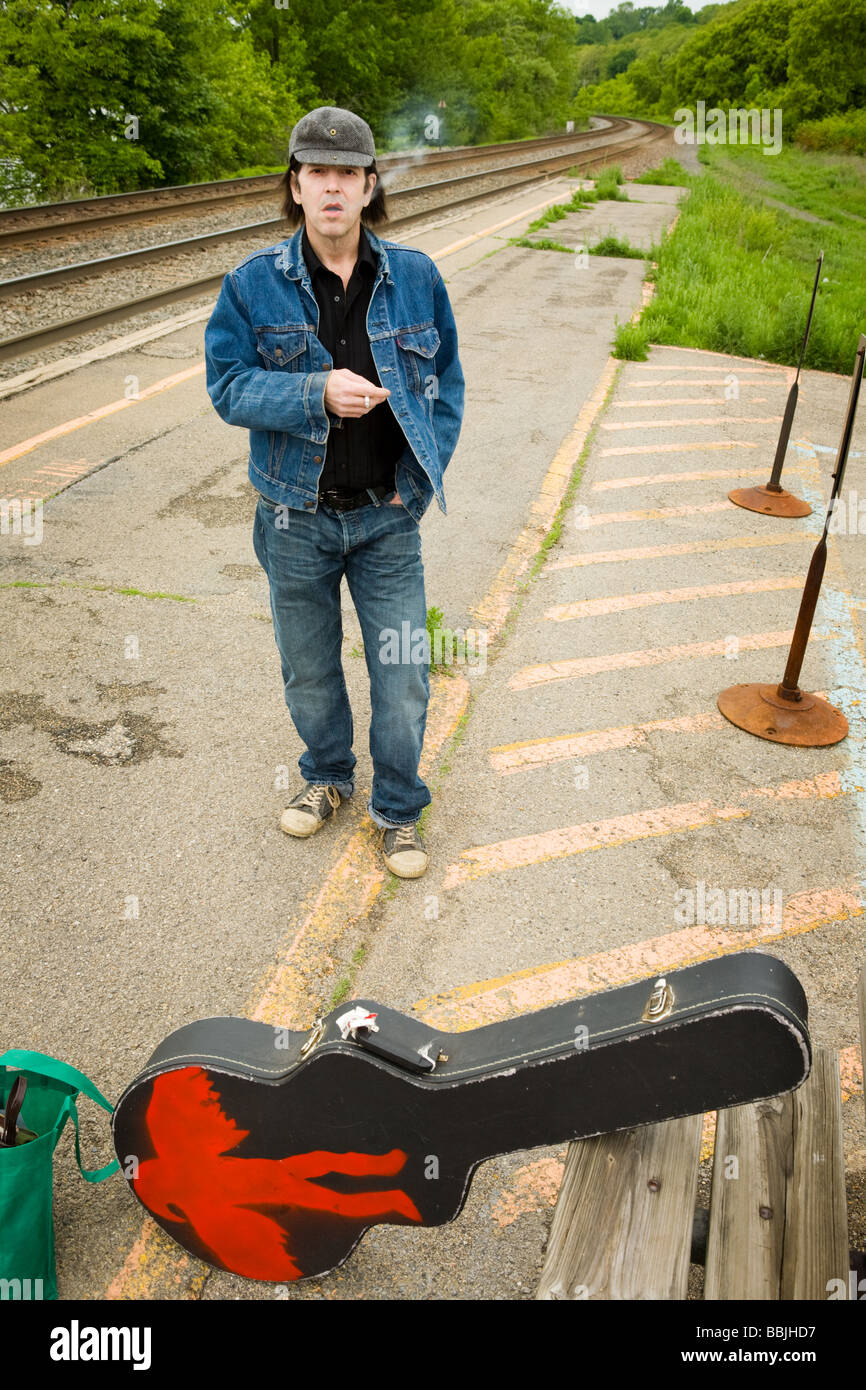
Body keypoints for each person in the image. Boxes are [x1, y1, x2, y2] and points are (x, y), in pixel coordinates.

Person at [205, 106, 465, 879]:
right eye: (316, 172)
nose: (331, 187)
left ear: (368, 186)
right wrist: (313, 392)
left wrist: (417, 490)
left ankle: (397, 810)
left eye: (346, 173)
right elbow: (227, 387)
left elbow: (447, 385)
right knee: (310, 669)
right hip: (294, 518)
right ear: (296, 185)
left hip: (387, 520)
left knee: (405, 673)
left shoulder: (415, 276)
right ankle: (326, 779)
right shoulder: (251, 286)